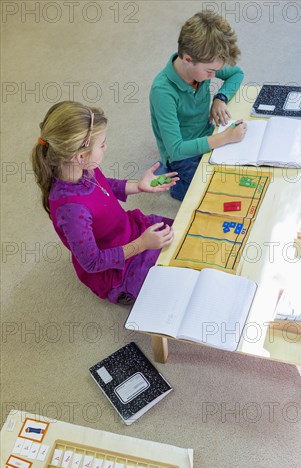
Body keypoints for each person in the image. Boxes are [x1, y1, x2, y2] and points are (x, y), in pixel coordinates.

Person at [31, 101, 178, 304]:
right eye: (102, 144)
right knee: (168, 287)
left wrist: (139, 186)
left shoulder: (83, 169)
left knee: (182, 230)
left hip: (129, 230)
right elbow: (92, 262)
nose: (106, 147)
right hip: (115, 267)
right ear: (80, 156)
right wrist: (142, 244)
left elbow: (104, 185)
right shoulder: (71, 210)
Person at [150, 10, 247, 201]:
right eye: (210, 72)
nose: (213, 76)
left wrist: (220, 97)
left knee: (240, 175)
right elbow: (176, 149)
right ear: (187, 59)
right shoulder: (162, 91)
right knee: (213, 195)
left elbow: (237, 73)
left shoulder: (199, 67)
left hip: (206, 135)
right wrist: (224, 138)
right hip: (180, 154)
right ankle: (175, 182)